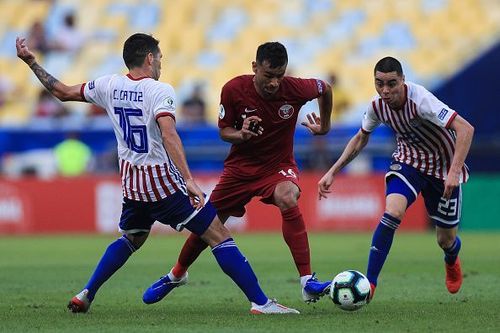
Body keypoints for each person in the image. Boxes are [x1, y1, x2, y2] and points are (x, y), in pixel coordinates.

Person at [16, 33, 299, 314]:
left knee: (131, 238)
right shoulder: (159, 91)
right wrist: (188, 179)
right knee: (219, 235)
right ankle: (261, 303)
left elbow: (62, 92)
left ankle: (86, 293)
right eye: (160, 57)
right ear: (150, 57)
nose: (161, 63)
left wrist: (32, 63)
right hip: (161, 183)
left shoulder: (108, 84)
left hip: (131, 185)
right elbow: (169, 135)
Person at [143, 41, 334, 305]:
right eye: (268, 76)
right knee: (208, 225)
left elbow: (325, 89)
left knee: (289, 196)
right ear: (255, 67)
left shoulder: (296, 88)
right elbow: (224, 132)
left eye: (280, 76)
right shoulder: (234, 89)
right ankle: (176, 275)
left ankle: (307, 282)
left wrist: (324, 126)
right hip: (240, 169)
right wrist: (241, 134)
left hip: (277, 166)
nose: (275, 83)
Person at [318, 56, 474, 300]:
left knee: (445, 239)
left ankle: (452, 258)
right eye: (379, 83)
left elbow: (466, 129)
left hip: (443, 168)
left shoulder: (422, 101)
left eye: (391, 83)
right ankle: (370, 283)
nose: (385, 90)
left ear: (403, 80)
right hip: (408, 162)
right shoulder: (377, 106)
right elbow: (361, 138)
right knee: (393, 211)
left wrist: (454, 172)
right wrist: (332, 171)